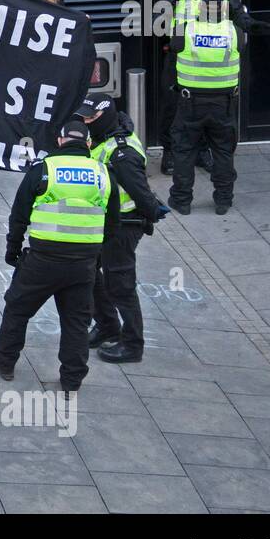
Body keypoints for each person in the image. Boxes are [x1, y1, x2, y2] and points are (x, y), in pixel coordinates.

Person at [0, 118, 119, 392]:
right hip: (83, 263)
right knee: (76, 322)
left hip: (42, 260)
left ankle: (5, 362)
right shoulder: (103, 173)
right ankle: (72, 379)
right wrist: (94, 254)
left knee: (18, 309)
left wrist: (12, 250)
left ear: (60, 141)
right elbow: (113, 224)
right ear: (88, 144)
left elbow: (19, 215)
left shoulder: (44, 169)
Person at [165, 0, 270, 216]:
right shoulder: (233, 32)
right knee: (224, 151)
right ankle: (223, 200)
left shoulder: (185, 31)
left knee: (184, 148)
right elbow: (241, 26)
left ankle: (181, 200)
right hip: (224, 98)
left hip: (190, 94)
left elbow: (168, 32)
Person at [76, 98, 170, 364]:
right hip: (104, 223)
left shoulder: (121, 152)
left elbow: (139, 191)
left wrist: (151, 212)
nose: (85, 123)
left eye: (89, 118)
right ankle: (106, 325)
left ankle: (132, 345)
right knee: (91, 273)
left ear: (104, 117)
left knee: (121, 287)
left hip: (123, 226)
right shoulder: (105, 138)